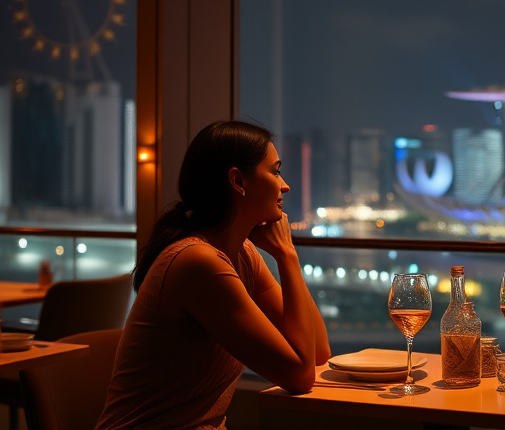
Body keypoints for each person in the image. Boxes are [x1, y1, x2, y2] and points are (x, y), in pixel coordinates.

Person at [96, 120, 331, 429]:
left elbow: (317, 353)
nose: (285, 185)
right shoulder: (199, 262)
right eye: (274, 171)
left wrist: (285, 256)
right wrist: (286, 256)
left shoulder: (242, 254)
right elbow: (299, 376)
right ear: (238, 181)